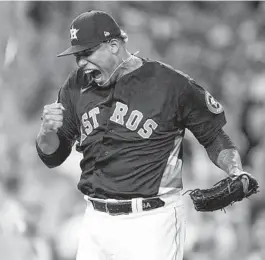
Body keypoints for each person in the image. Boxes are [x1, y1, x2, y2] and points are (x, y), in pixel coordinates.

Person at [36, 10, 253, 260]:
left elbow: (213, 135)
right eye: (77, 56)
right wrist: (46, 133)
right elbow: (53, 156)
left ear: (114, 45)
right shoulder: (76, 85)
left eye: (87, 53)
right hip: (95, 221)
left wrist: (235, 169)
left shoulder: (171, 85)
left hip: (151, 222)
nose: (81, 62)